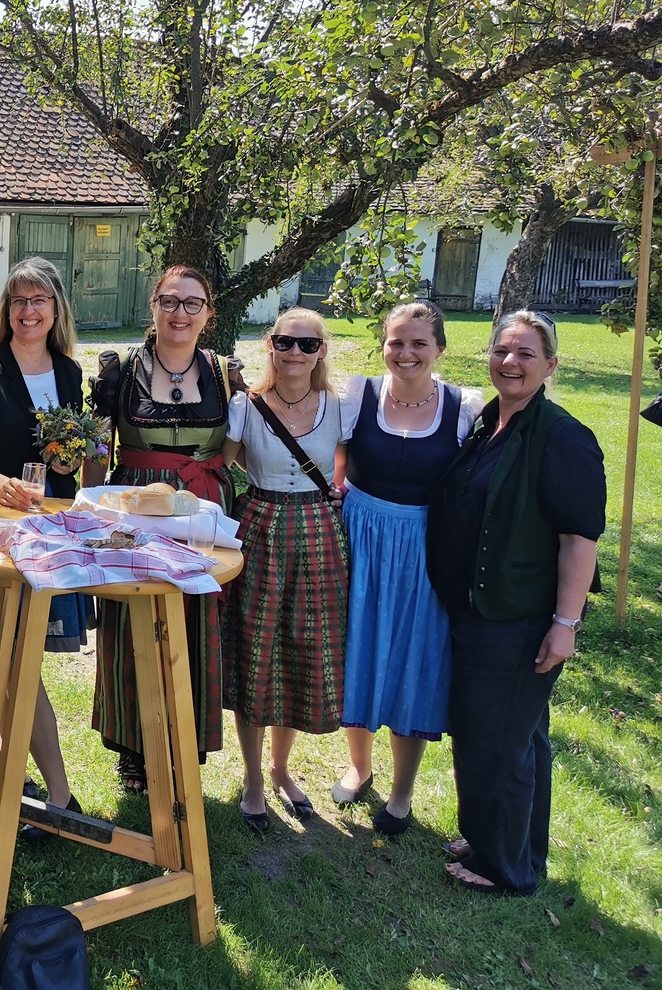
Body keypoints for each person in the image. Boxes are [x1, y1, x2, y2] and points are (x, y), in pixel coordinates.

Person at [428, 311, 604, 895]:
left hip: (517, 614)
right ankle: (512, 844)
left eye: (526, 353)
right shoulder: (491, 422)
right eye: (502, 350)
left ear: (551, 364)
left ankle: (502, 867)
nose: (510, 362)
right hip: (480, 607)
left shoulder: (562, 436)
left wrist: (565, 624)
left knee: (494, 738)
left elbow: (579, 540)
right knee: (519, 734)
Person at [333, 302, 485, 835]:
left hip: (425, 546)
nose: (406, 352)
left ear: (440, 348)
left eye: (419, 342)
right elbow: (336, 464)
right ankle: (359, 766)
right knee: (358, 648)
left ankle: (402, 792)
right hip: (360, 538)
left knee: (413, 657)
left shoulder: (463, 409)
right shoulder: (358, 396)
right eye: (396, 341)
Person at [88, 266, 242, 789]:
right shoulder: (119, 371)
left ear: (208, 314)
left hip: (201, 508)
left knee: (195, 620)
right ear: (152, 306)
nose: (180, 313)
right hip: (133, 506)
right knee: (133, 618)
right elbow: (98, 446)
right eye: (170, 301)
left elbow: (249, 443)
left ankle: (185, 739)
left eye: (192, 303)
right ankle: (133, 745)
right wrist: (88, 512)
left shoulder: (225, 373)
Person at [0, 257, 89, 833]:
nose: (29, 311)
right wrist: (1, 483)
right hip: (1, 531)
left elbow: (72, 459)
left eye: (39, 301)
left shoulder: (69, 372)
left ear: (56, 310)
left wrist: (70, 462)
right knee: (13, 658)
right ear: (6, 311)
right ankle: (58, 796)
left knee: (16, 659)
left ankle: (18, 781)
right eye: (19, 301)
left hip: (52, 532)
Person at [221, 308, 348, 830]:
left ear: (321, 351)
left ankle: (280, 769)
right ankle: (253, 778)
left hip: (319, 534)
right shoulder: (245, 406)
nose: (295, 352)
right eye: (285, 342)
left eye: (307, 344)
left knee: (299, 649)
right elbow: (223, 464)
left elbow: (350, 470)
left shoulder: (340, 407)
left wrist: (338, 495)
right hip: (260, 526)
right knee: (256, 650)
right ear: (270, 345)